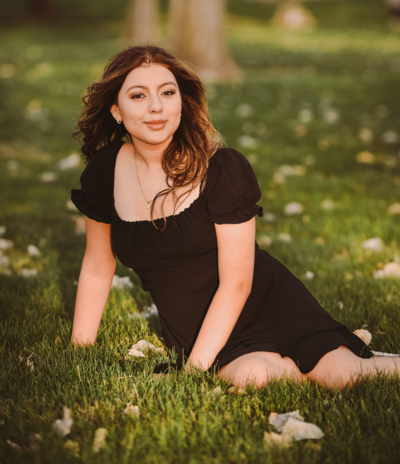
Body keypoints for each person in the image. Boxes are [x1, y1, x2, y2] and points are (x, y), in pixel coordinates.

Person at [70, 45, 399, 390]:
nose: (156, 107)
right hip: (198, 329)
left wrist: (192, 373)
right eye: (138, 95)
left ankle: (346, 359)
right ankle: (326, 359)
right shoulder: (105, 173)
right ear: (116, 110)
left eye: (167, 93)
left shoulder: (221, 169)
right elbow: (97, 265)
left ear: (181, 102)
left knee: (344, 376)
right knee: (253, 377)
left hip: (266, 303)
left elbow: (236, 284)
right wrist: (80, 350)